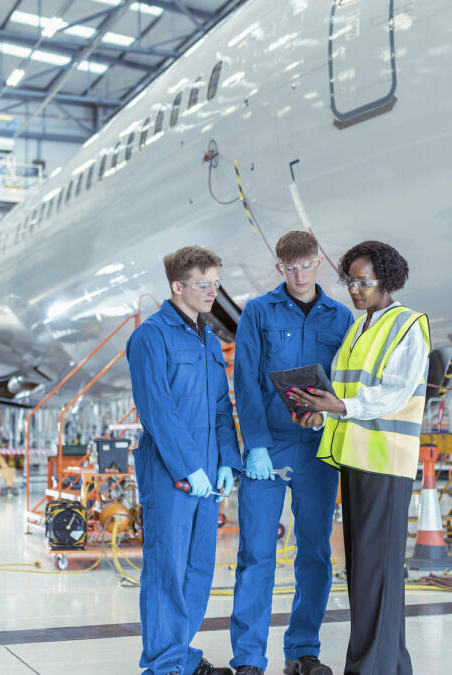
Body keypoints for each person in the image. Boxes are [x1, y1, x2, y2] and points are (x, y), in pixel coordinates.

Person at [287, 241, 428, 675]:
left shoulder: (407, 325)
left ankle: (370, 668)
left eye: (362, 282)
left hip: (385, 464)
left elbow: (393, 393)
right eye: (350, 280)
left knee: (375, 575)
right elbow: (344, 393)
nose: (353, 289)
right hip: (357, 460)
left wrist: (340, 407)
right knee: (367, 573)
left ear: (386, 281)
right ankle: (392, 665)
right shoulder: (360, 326)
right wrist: (319, 413)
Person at [229, 232, 353, 675]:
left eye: (306, 265)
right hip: (270, 446)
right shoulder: (258, 313)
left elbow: (347, 385)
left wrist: (328, 420)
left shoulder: (341, 319)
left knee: (315, 553)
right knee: (256, 554)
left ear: (319, 261)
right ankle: (247, 659)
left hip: (318, 449)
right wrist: (256, 445)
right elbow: (246, 381)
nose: (299, 276)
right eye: (290, 268)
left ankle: (303, 651)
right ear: (279, 267)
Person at [127, 245, 243, 675]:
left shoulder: (209, 339)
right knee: (166, 570)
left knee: (198, 569)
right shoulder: (150, 337)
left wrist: (228, 461)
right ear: (178, 286)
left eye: (215, 283)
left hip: (209, 472)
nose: (213, 291)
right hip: (170, 472)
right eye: (203, 284)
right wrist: (186, 467)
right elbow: (157, 407)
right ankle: (163, 664)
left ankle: (179, 654)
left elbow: (219, 405)